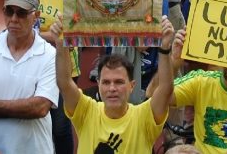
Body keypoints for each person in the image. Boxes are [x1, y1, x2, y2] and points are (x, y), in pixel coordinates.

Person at [51, 13, 175, 153]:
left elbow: (165, 88)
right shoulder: (86, 111)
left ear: (132, 85)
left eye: (119, 82)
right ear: (98, 84)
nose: (112, 88)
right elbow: (64, 83)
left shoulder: (144, 117)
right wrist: (61, 43)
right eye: (106, 82)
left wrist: (164, 47)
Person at [0, 0, 58, 152]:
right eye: (9, 11)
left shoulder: (50, 55)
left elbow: (40, 108)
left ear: (36, 17)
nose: (14, 18)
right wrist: (26, 106)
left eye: (22, 13)